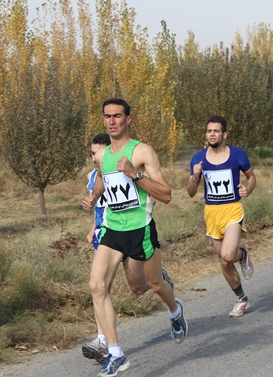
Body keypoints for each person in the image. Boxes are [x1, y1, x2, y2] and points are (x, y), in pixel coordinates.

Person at [82, 98, 187, 377]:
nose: (112, 121)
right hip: (113, 229)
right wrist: (94, 197)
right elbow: (104, 181)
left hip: (140, 230)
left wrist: (135, 174)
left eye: (117, 116)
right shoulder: (103, 156)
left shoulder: (142, 151)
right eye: (107, 116)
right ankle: (116, 354)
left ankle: (175, 311)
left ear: (128, 119)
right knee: (96, 285)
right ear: (103, 120)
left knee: (151, 286)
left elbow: (165, 195)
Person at [187, 116, 256, 317]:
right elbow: (191, 192)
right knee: (224, 262)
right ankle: (241, 298)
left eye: (216, 131)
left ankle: (241, 254)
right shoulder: (198, 159)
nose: (212, 134)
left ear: (224, 134)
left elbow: (251, 176)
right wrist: (194, 175)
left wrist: (248, 189)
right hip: (211, 212)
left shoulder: (237, 154)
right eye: (209, 131)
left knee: (228, 254)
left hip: (232, 209)